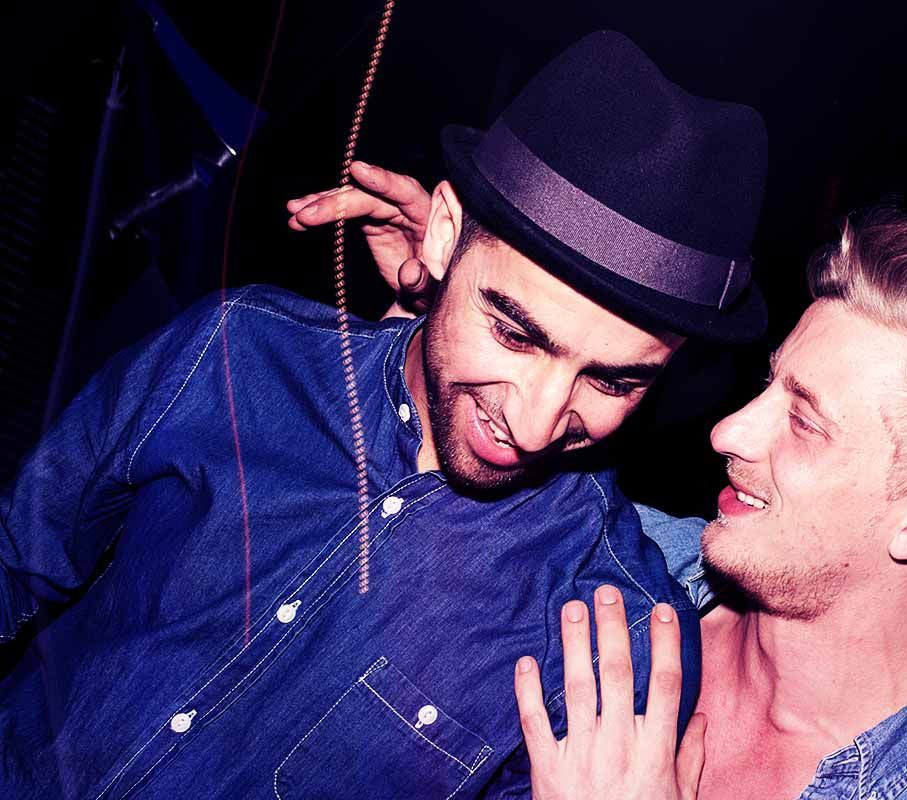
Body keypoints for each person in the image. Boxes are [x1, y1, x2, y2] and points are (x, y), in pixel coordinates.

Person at [0, 32, 770, 799]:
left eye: (613, 382)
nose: (536, 425)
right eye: (514, 333)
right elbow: (16, 558)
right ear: (443, 235)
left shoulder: (613, 642)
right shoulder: (236, 352)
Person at [322, 191, 907, 797]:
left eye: (804, 422)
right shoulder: (614, 553)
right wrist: (450, 306)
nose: (729, 432)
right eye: (770, 386)